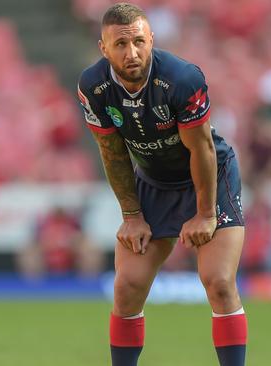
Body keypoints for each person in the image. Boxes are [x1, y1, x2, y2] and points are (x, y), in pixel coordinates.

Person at [77, 4, 247, 366]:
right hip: (153, 182)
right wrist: (131, 214)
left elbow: (201, 149)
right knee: (126, 287)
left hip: (209, 178)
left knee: (217, 281)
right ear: (103, 48)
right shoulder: (94, 87)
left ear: (151, 39)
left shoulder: (182, 79)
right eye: (121, 44)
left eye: (139, 41)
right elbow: (113, 153)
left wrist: (204, 214)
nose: (132, 52)